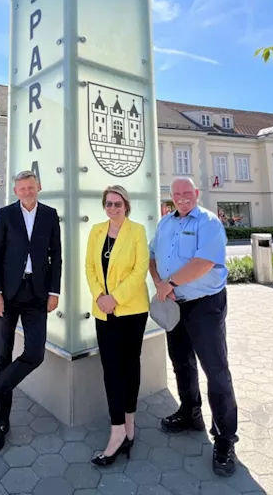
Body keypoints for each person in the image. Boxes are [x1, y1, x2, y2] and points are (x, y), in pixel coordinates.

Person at [150, 177, 240, 477]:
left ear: (196, 194)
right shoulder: (165, 223)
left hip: (204, 305)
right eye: (177, 194)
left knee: (215, 370)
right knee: (181, 363)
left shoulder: (209, 222)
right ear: (172, 197)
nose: (182, 198)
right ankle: (190, 413)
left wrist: (170, 283)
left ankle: (225, 438)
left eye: (187, 193)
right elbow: (152, 257)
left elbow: (204, 262)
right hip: (174, 304)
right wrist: (161, 286)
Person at [0, 170, 62, 451]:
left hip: (37, 294)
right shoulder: (5, 214)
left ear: (39, 187)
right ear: (15, 190)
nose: (26, 192)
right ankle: (2, 422)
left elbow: (56, 254)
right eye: (21, 188)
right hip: (7, 295)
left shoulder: (49, 214)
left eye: (31, 187)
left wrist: (54, 291)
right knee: (2, 356)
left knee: (34, 354)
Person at [84, 185, 150, 467]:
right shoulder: (97, 231)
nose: (112, 208)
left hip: (132, 311)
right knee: (111, 370)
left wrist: (116, 299)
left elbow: (140, 270)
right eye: (108, 204)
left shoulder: (137, 231)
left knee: (130, 366)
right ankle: (117, 429)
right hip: (103, 312)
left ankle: (130, 420)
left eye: (117, 204)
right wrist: (100, 296)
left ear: (126, 205)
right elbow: (89, 267)